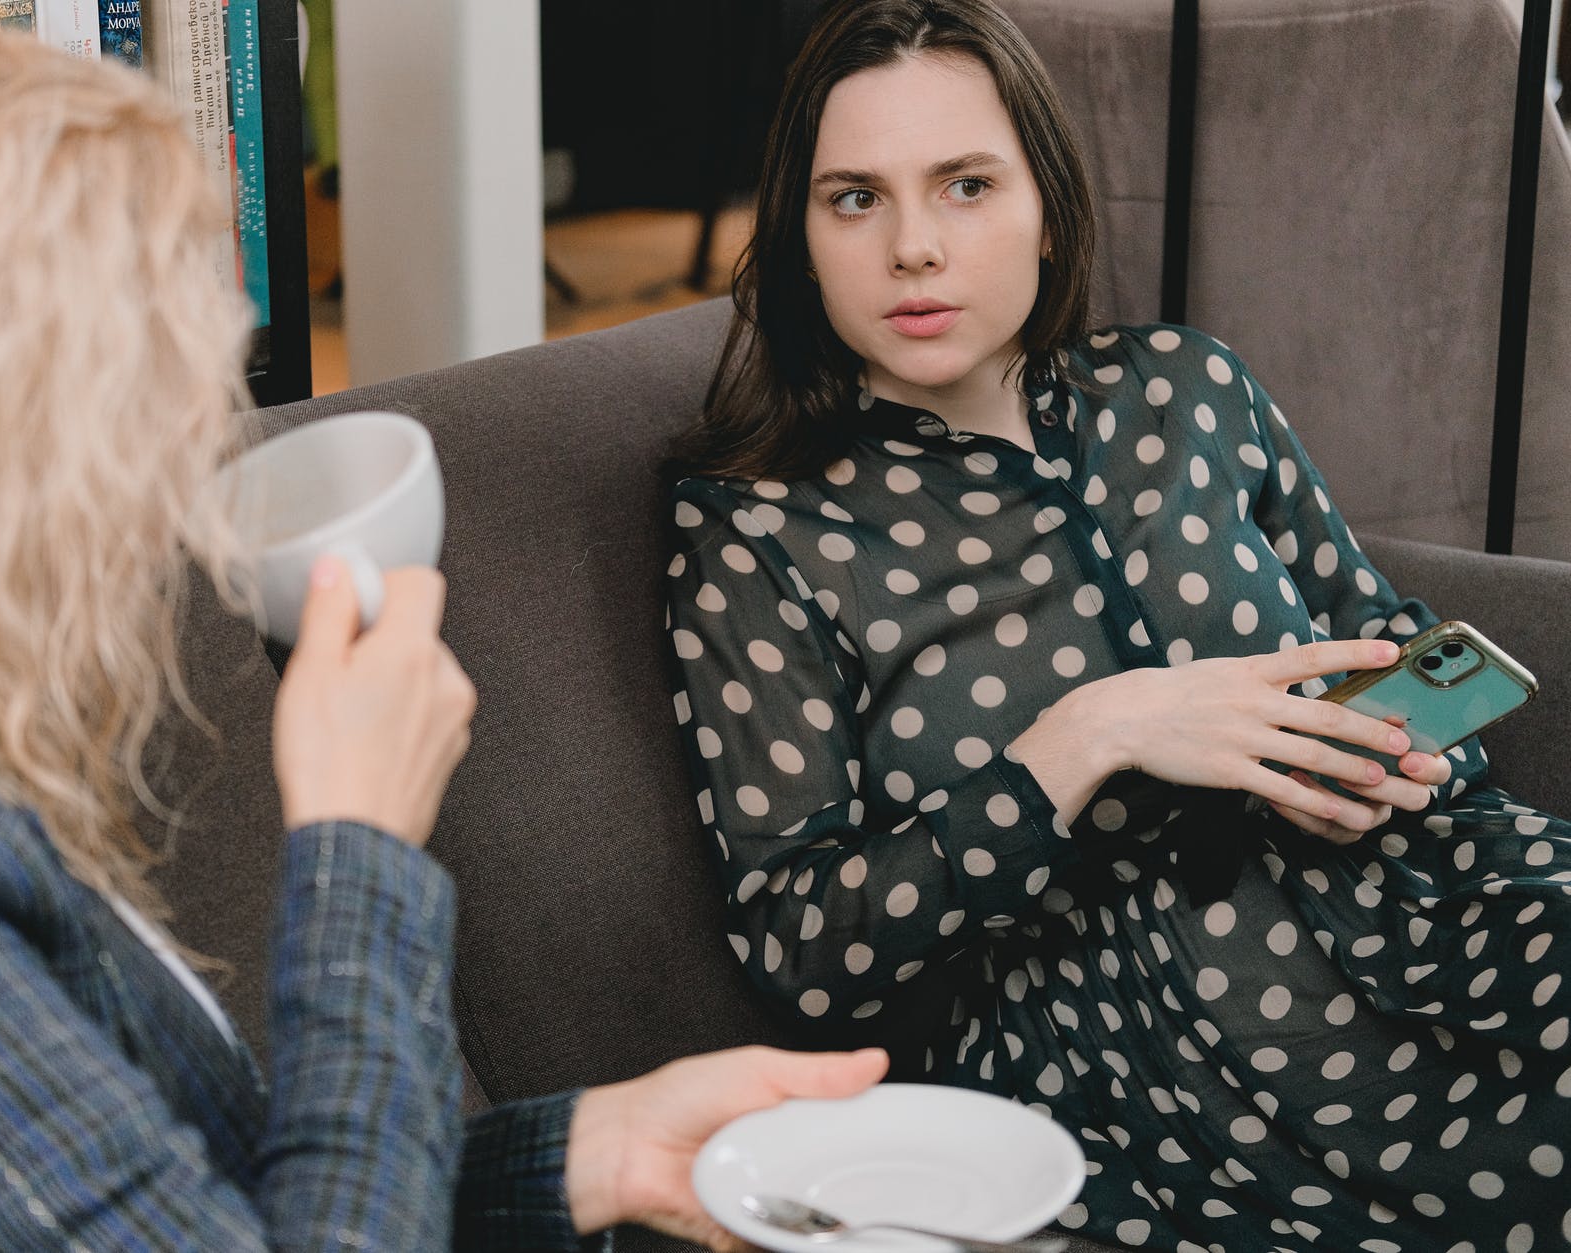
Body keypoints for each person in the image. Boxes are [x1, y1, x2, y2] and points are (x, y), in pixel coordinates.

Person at [0, 27, 889, 1252]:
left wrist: (581, 1152)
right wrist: (359, 843)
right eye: (157, 391)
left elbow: (192, 1216)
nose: (185, 473)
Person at [664, 1, 1571, 1249]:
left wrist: (1385, 761)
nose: (913, 247)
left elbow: (1386, 640)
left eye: (966, 185)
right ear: (801, 235)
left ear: (1046, 201)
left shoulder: (1184, 386)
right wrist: (1084, 736)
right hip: (1137, 1044)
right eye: (854, 199)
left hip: (1418, 907)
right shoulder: (756, 530)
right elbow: (804, 944)